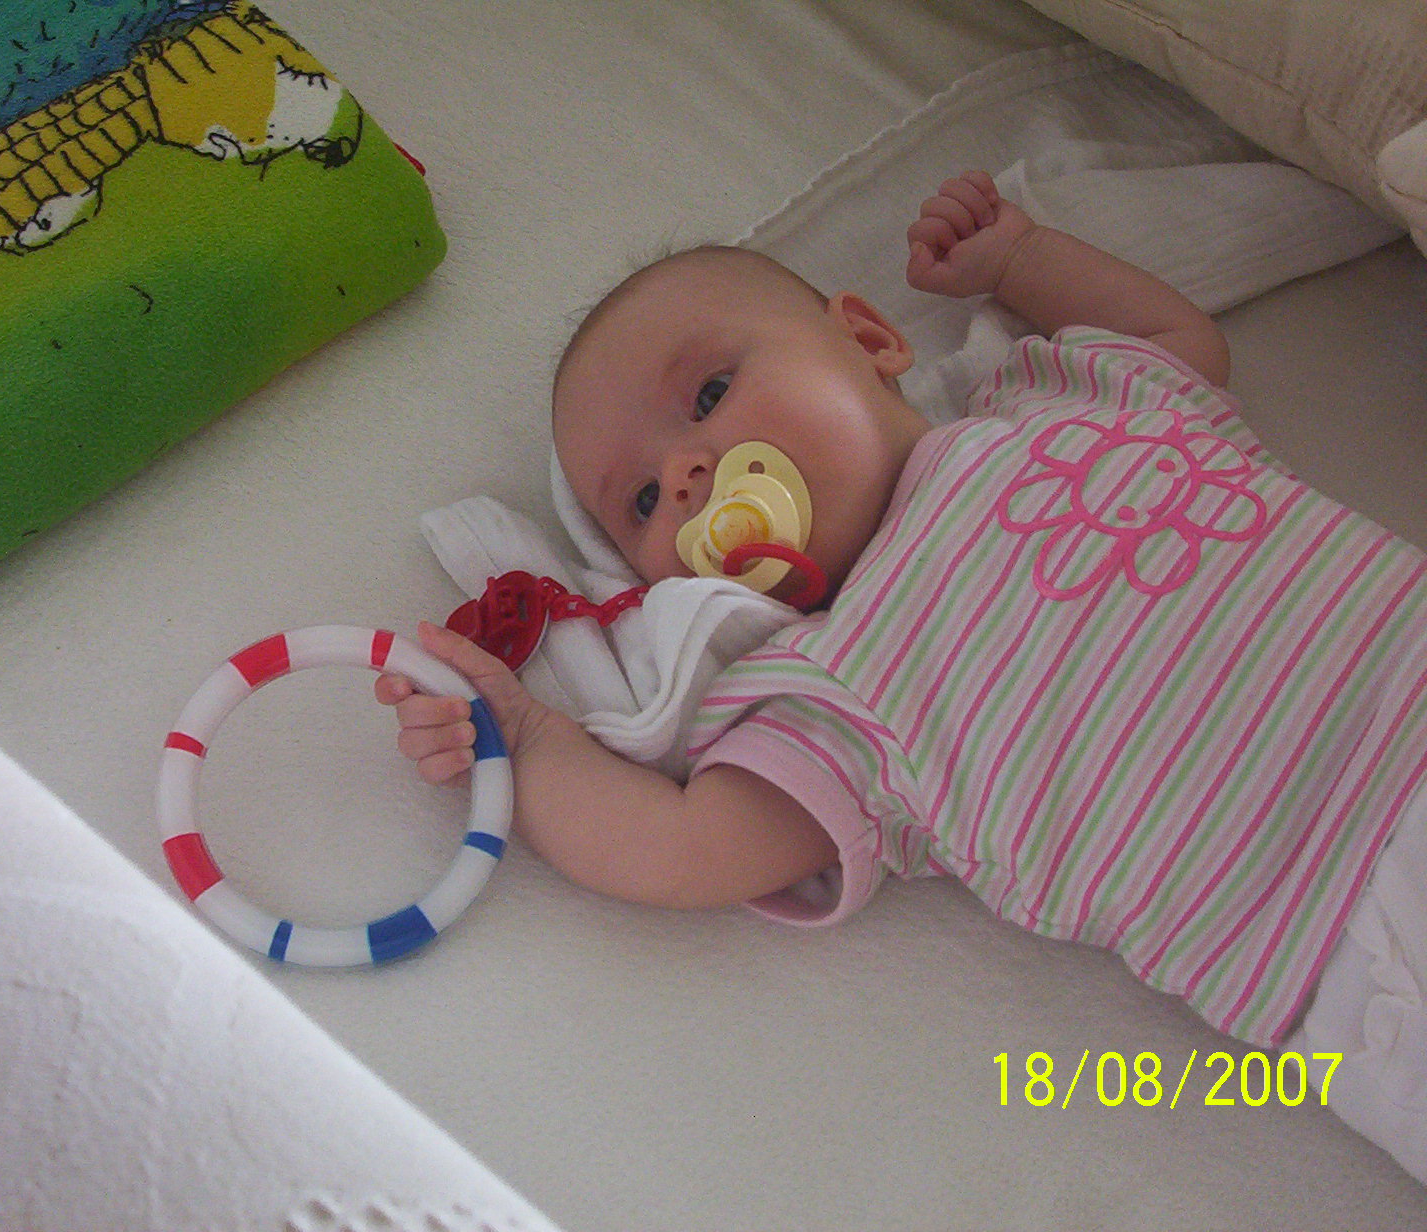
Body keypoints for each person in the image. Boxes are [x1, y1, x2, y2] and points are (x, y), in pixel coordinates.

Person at [376, 171, 1427, 1179]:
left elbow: (1178, 342)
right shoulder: (828, 690)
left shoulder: (1049, 401)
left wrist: (1020, 257)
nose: (687, 473)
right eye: (643, 502)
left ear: (872, 339)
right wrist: (525, 732)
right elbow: (681, 845)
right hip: (1344, 933)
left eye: (710, 392)